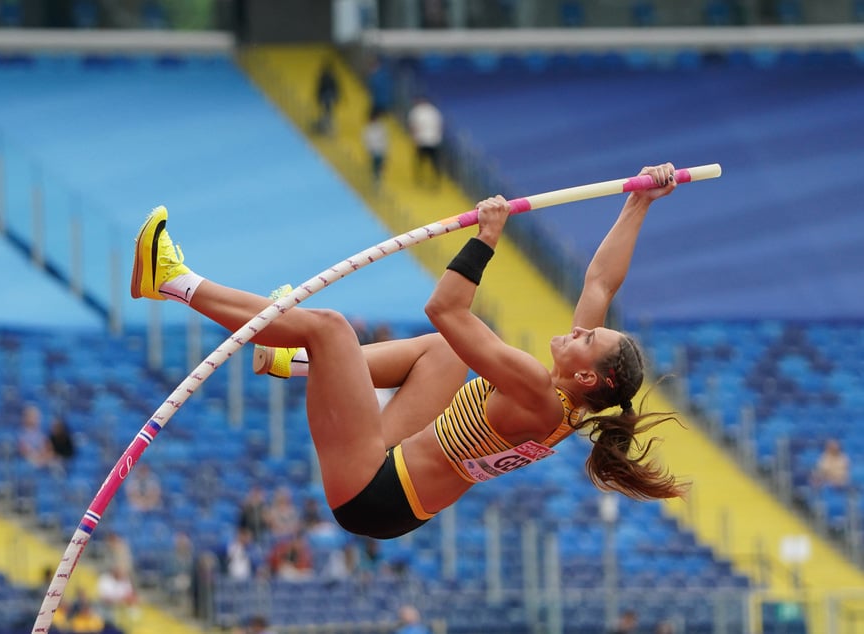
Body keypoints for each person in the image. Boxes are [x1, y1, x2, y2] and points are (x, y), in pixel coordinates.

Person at [129, 163, 688, 540]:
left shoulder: (536, 387)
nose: (578, 331)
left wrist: (487, 236)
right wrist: (637, 202)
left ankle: (172, 280)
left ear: (587, 377)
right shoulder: (573, 398)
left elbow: (444, 308)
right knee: (448, 356)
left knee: (328, 327)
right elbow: (598, 286)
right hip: (401, 467)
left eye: (587, 339)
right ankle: (289, 360)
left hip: (374, 492)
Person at [407, 96, 444, 187]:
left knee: (420, 162)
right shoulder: (434, 111)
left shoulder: (416, 111)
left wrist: (414, 138)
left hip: (422, 140)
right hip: (434, 141)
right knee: (434, 163)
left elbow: (413, 126)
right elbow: (440, 126)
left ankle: (419, 179)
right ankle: (436, 181)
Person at [363, 106, 389, 187]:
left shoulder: (381, 127)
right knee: (375, 166)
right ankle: (375, 179)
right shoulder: (368, 128)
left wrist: (385, 149)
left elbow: (385, 139)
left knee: (380, 166)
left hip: (380, 149)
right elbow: (366, 140)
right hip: (373, 150)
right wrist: (369, 149)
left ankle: (378, 180)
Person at [313, 60, 340, 135]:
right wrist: (337, 97)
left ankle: (326, 127)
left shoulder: (324, 76)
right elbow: (336, 87)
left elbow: (320, 87)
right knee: (328, 112)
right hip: (328, 96)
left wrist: (317, 96)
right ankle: (327, 126)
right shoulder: (332, 77)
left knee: (326, 112)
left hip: (325, 96)